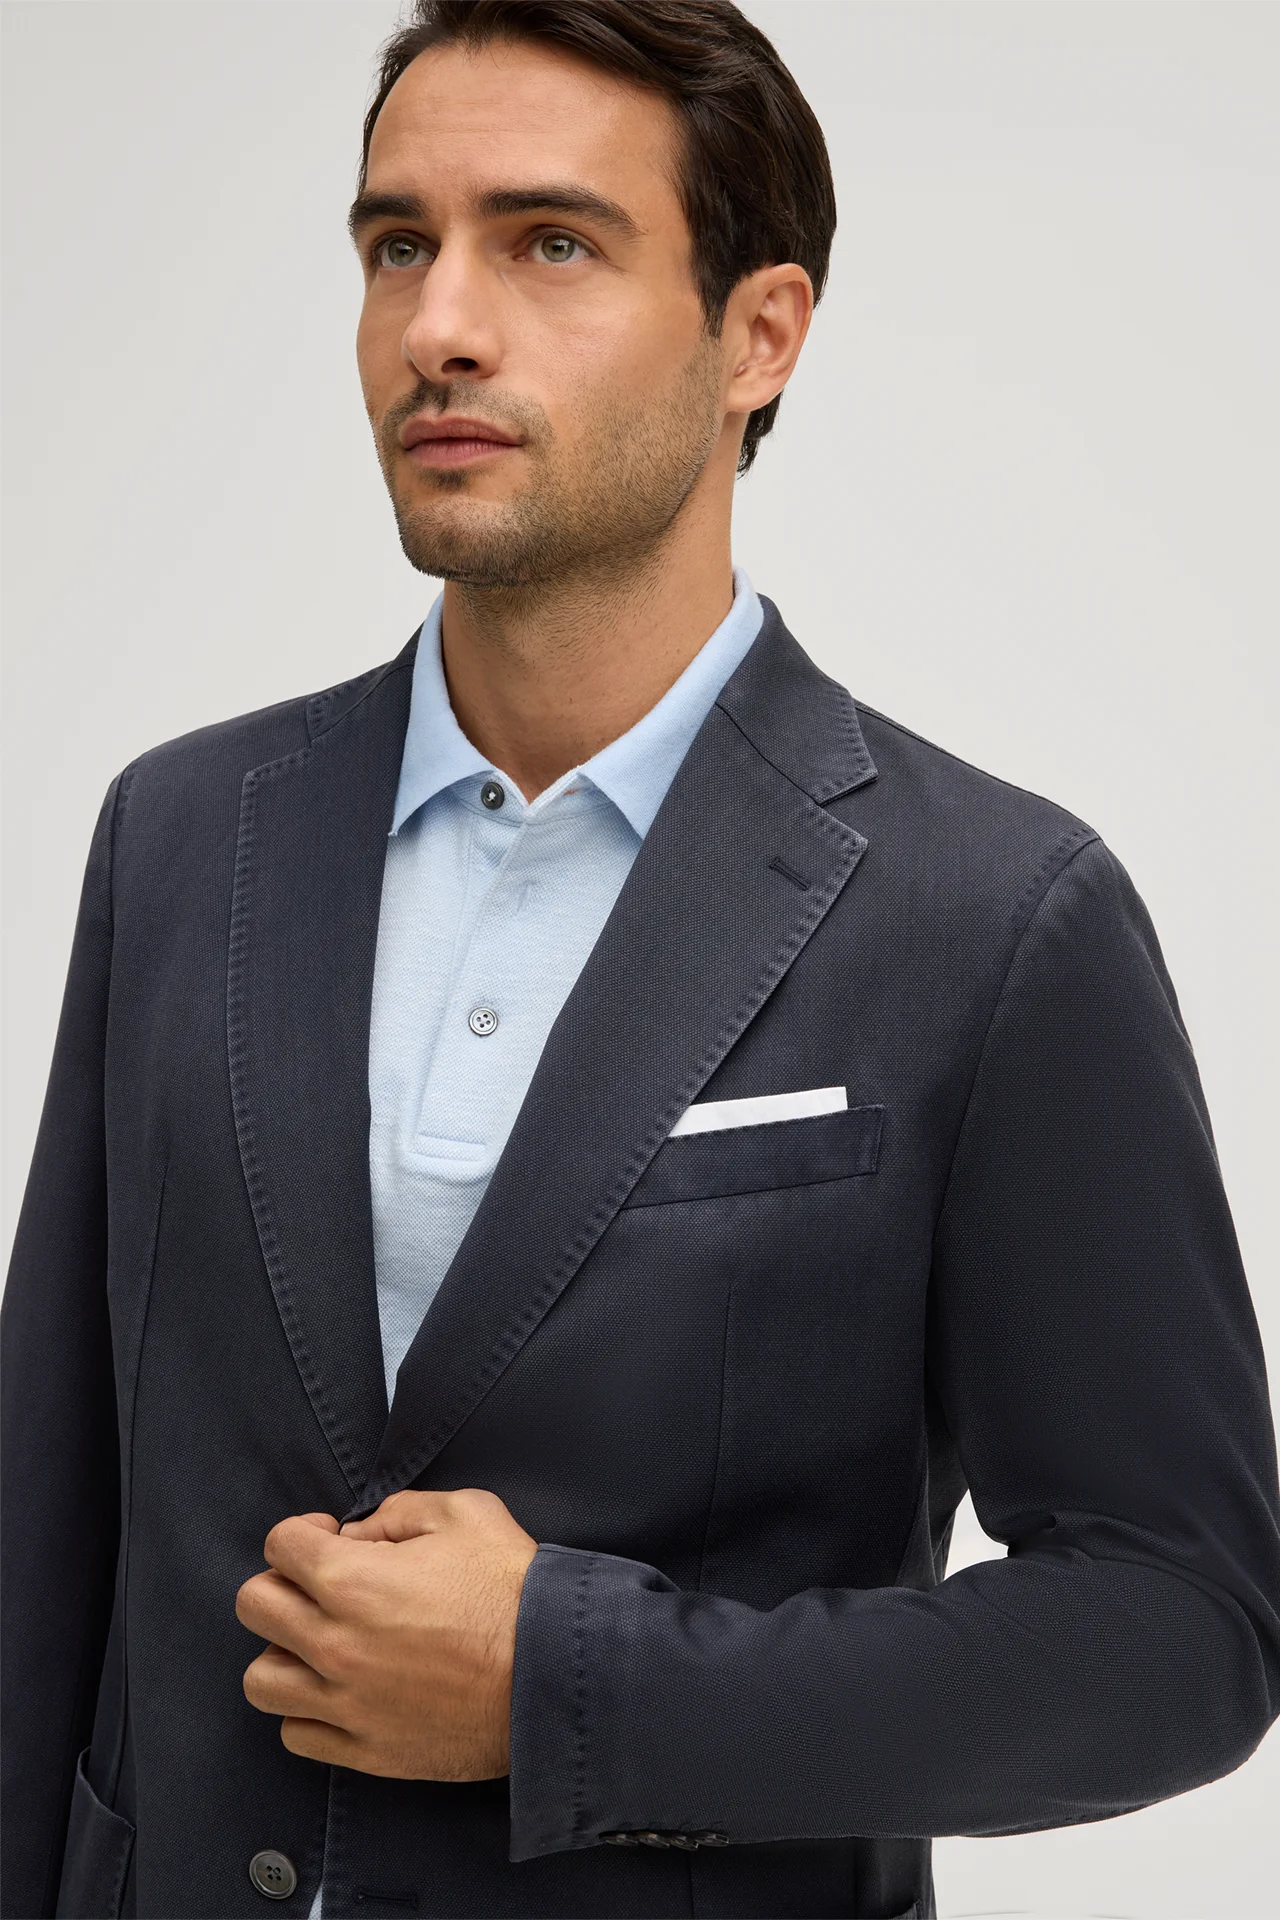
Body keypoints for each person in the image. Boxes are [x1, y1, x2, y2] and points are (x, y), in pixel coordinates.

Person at [4, 2, 1279, 1916]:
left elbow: (1178, 1628)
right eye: (397, 244)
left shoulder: (993, 913)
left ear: (759, 333)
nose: (441, 324)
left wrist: (574, 1686)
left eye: (551, 243)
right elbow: (48, 1532)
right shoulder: (185, 834)